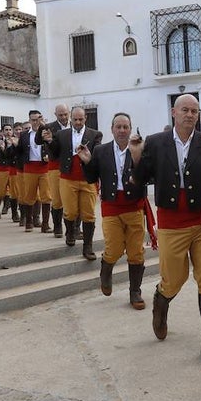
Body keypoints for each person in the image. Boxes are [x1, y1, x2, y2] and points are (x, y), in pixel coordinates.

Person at [130, 93, 201, 367]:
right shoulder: (156, 142)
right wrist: (137, 157)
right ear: (173, 113)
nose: (190, 115)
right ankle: (161, 300)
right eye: (185, 110)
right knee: (175, 279)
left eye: (194, 111)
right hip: (172, 223)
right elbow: (140, 181)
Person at [83, 112, 148, 309]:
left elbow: (148, 176)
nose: (121, 130)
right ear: (112, 129)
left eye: (125, 127)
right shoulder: (101, 151)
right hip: (111, 206)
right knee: (114, 248)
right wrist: (86, 161)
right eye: (118, 127)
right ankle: (106, 270)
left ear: (130, 128)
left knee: (136, 251)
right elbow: (91, 177)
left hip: (134, 206)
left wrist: (137, 160)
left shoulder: (139, 149)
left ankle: (135, 291)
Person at [48, 106, 102, 259]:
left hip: (87, 179)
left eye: (81, 119)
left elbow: (97, 153)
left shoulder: (95, 134)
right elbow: (54, 152)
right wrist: (49, 141)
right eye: (75, 119)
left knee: (89, 214)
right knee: (70, 211)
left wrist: (89, 156)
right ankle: (70, 232)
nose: (78, 122)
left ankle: (88, 247)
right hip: (67, 178)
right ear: (71, 119)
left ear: (86, 118)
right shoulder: (61, 134)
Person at [13, 110, 53, 233]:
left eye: (38, 119)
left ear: (41, 119)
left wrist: (49, 156)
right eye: (33, 120)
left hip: (44, 167)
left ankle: (45, 224)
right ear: (29, 120)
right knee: (29, 196)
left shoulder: (47, 132)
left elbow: (53, 147)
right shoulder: (25, 135)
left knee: (46, 196)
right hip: (29, 168)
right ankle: (29, 222)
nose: (36, 122)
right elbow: (19, 151)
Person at [46, 103, 71, 237]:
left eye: (65, 114)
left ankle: (73, 229)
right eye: (60, 115)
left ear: (69, 113)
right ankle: (57, 227)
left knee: (71, 200)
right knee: (57, 199)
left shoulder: (75, 126)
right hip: (55, 166)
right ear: (55, 115)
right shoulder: (50, 127)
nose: (63, 117)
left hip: (71, 166)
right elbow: (41, 141)